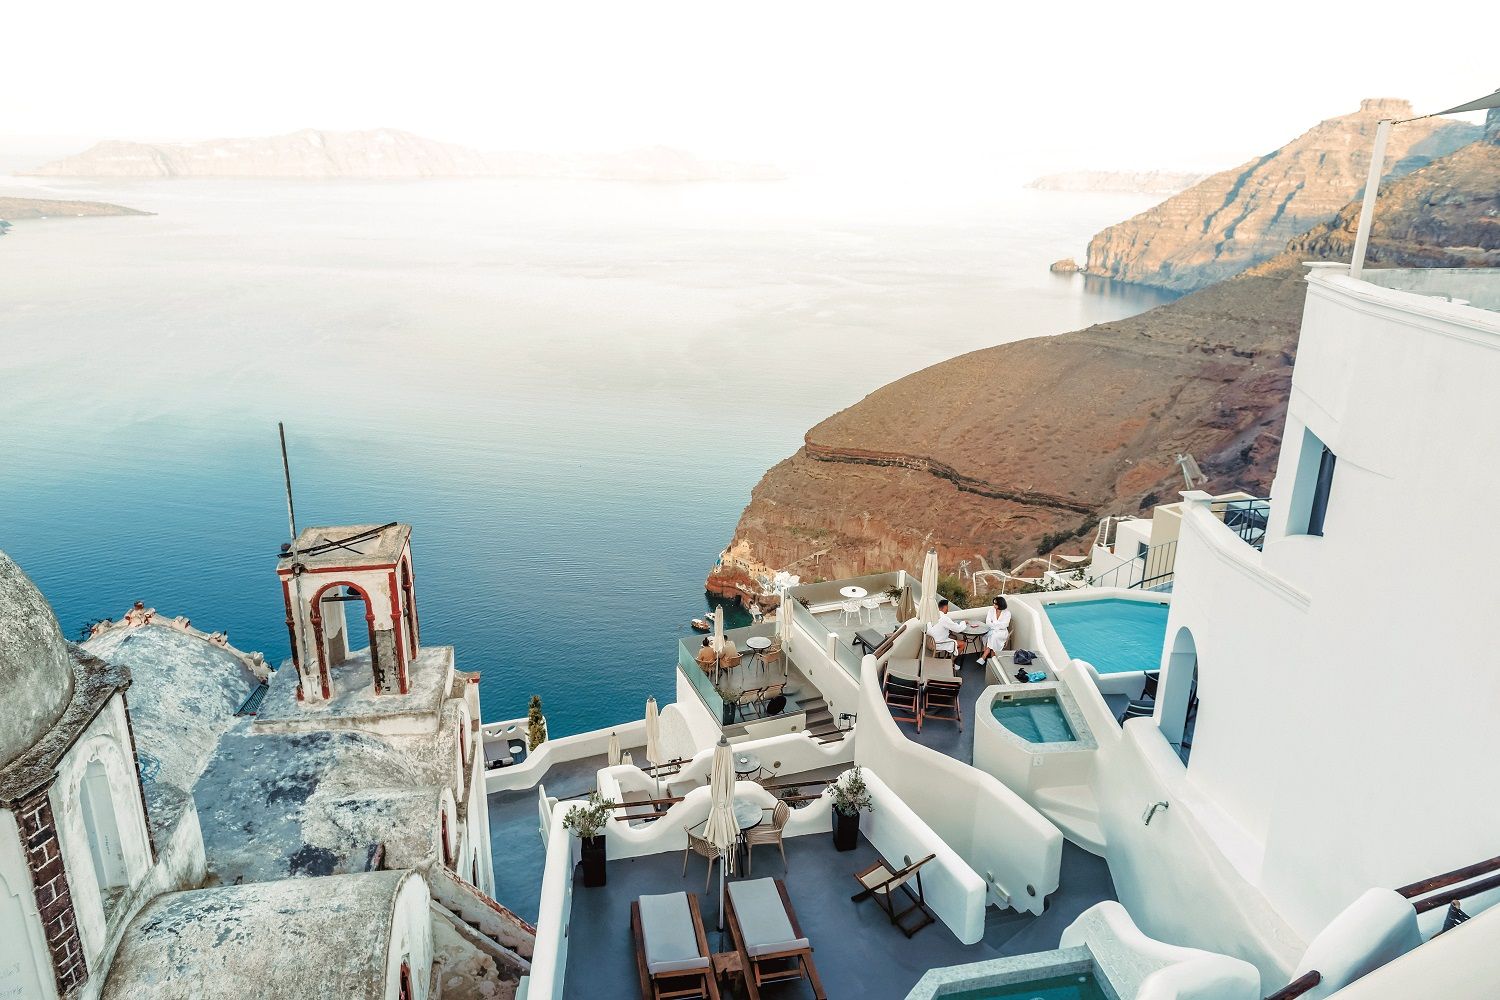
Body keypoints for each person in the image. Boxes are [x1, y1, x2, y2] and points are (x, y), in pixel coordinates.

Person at [977, 596, 1010, 668]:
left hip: (1002, 632)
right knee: (992, 636)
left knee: (993, 637)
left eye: (995, 604)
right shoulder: (991, 610)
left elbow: (1005, 625)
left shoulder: (1007, 613)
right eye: (993, 603)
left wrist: (994, 623)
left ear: (1000, 604)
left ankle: (984, 656)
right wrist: (997, 624)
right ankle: (993, 659)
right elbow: (988, 622)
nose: (993, 605)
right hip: (992, 630)